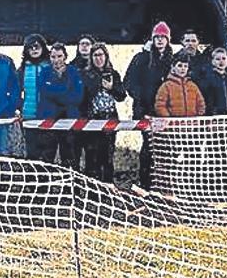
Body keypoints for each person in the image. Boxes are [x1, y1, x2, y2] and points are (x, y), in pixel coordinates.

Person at [124, 21, 174, 188]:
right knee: (148, 147)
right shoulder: (141, 58)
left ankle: (163, 182)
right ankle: (145, 182)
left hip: (166, 112)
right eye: (157, 37)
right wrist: (142, 98)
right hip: (145, 110)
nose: (160, 40)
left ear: (168, 40)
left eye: (163, 37)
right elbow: (129, 82)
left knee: (165, 147)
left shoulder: (172, 59)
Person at [77, 42, 125, 182]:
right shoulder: (85, 74)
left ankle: (108, 188)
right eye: (95, 55)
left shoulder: (113, 74)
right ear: (91, 58)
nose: (98, 58)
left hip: (110, 120)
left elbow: (121, 96)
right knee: (92, 158)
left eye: (101, 55)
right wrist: (97, 83)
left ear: (106, 57)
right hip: (92, 121)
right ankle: (92, 191)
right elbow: (82, 97)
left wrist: (111, 88)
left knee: (108, 158)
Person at [34, 43, 84, 168]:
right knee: (46, 157)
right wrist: (65, 90)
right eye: (53, 57)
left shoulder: (74, 72)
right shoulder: (44, 72)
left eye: (59, 56)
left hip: (69, 120)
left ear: (65, 57)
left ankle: (69, 185)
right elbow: (44, 91)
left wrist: (56, 93)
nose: (56, 60)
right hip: (48, 120)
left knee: (69, 157)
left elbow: (78, 96)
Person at [17, 34, 50, 158]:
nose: (34, 50)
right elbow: (16, 91)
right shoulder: (23, 69)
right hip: (29, 116)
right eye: (31, 47)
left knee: (48, 154)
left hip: (48, 116)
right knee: (32, 154)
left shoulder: (50, 67)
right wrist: (19, 107)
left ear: (43, 48)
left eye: (37, 47)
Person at [193, 46, 227, 116]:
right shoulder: (207, 77)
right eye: (217, 59)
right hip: (213, 114)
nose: (221, 61)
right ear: (212, 61)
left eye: (224, 58)